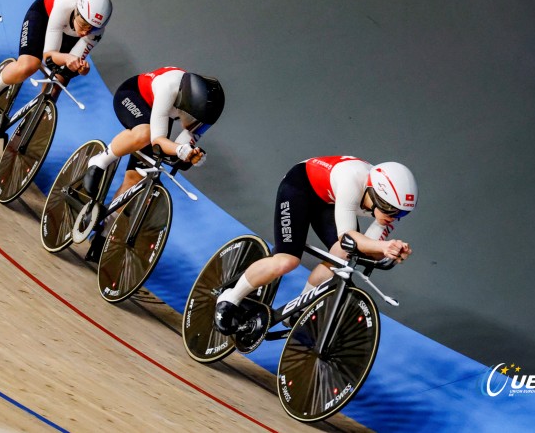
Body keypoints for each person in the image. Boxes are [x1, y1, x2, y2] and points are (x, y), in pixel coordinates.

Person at [214, 156, 417, 335]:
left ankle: (298, 310)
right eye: (390, 210)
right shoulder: (352, 181)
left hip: (328, 201)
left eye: (402, 214)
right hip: (300, 187)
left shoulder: (392, 209)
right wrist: (382, 247)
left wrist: (390, 250)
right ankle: (229, 298)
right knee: (286, 261)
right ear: (374, 194)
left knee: (343, 256)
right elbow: (348, 236)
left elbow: (366, 249)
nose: (395, 218)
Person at [80, 67, 225, 254]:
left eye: (201, 124)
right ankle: (99, 161)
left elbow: (179, 151)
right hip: (135, 96)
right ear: (187, 107)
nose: (197, 126)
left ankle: (104, 232)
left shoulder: (206, 113)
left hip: (161, 112)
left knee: (136, 179)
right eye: (195, 119)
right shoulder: (169, 86)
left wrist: (192, 155)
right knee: (144, 134)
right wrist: (181, 150)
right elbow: (158, 141)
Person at [0, 0, 112, 118]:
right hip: (44, 15)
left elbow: (70, 65)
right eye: (84, 25)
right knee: (29, 65)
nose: (86, 32)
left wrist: (81, 68)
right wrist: (67, 58)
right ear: (77, 11)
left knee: (56, 86)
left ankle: (30, 126)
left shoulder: (97, 32)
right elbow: (49, 56)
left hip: (68, 33)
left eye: (92, 29)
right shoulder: (64, 5)